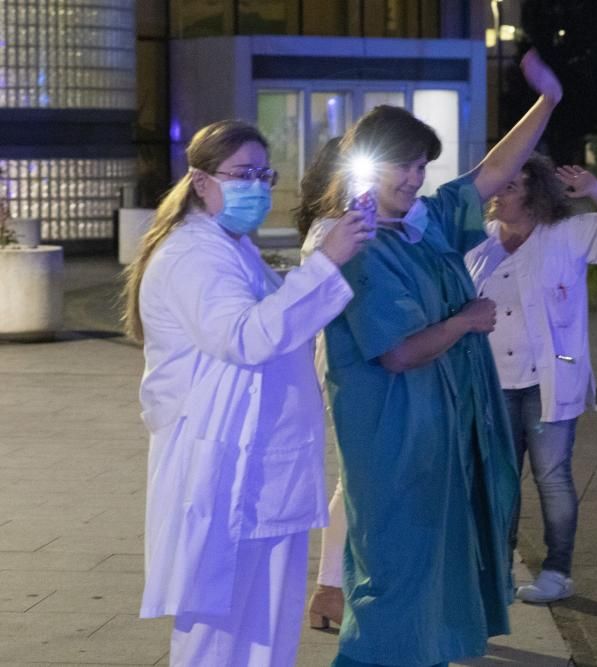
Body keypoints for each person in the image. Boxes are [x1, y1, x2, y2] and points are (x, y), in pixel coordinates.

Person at [308, 48, 562, 667]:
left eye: (422, 165)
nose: (415, 177)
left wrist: (548, 100)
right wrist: (466, 320)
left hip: (440, 428)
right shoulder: (357, 242)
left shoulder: (425, 222)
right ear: (366, 164)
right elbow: (395, 353)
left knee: (439, 563)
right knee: (395, 568)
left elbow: (494, 171)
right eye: (403, 164)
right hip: (392, 435)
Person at [121, 119, 372, 666]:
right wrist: (325, 262)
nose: (256, 185)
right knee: (221, 630)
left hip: (257, 467)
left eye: (264, 173)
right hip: (224, 471)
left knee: (262, 628)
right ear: (201, 179)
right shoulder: (195, 254)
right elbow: (245, 337)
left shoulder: (229, 246)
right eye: (242, 173)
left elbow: (275, 320)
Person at [464, 155, 597, 603]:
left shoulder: (568, 234)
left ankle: (557, 571)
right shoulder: (480, 242)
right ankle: (496, 574)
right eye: (498, 186)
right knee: (498, 480)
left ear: (536, 194)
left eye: (511, 187)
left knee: (552, 476)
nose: (499, 194)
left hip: (549, 380)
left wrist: (596, 189)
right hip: (492, 381)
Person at [294, 137, 350, 630]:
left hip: (361, 367)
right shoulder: (331, 230)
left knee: (352, 481)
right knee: (353, 482)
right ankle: (330, 589)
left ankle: (333, 590)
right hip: (350, 368)